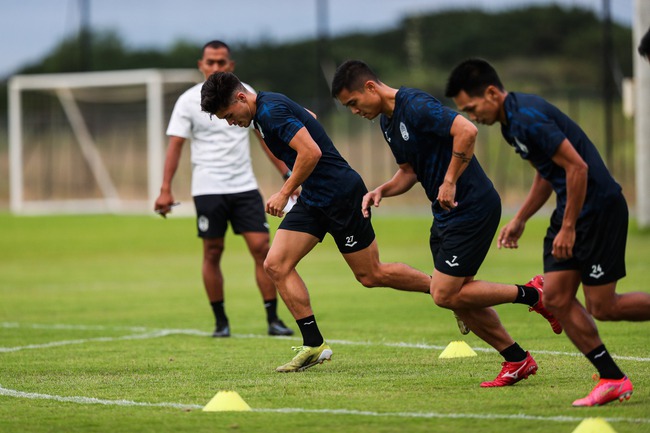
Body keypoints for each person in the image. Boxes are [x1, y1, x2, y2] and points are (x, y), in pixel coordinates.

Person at [331, 60, 561, 388]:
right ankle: (516, 359)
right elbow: (409, 171)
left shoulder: (416, 105)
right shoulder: (387, 122)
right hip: (444, 213)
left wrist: (450, 179)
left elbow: (467, 130)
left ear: (370, 87)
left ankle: (533, 293)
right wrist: (382, 189)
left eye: (353, 103)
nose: (354, 111)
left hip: (472, 206)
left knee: (443, 293)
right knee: (460, 297)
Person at [201, 71, 442, 373]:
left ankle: (443, 291)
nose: (229, 122)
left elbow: (311, 151)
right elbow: (309, 117)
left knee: (371, 275)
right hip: (315, 198)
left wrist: (285, 191)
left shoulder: (270, 111)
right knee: (275, 264)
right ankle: (314, 344)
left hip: (341, 195)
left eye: (228, 115)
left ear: (240, 97)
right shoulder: (263, 111)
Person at [445, 58, 650, 406]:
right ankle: (613, 378)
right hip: (572, 208)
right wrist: (521, 218)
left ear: (492, 93)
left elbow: (577, 167)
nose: (471, 116)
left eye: (471, 107)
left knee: (604, 306)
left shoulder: (527, 118)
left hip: (597, 208)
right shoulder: (510, 123)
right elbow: (546, 172)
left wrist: (568, 226)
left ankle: (612, 377)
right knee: (555, 297)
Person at [154, 40, 294, 338]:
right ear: (200, 65)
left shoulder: (247, 95)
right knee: (213, 251)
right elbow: (175, 147)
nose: (215, 67)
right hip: (208, 188)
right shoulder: (187, 101)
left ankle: (273, 319)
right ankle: (221, 322)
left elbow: (265, 137)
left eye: (221, 62)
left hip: (244, 186)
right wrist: (165, 189)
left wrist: (286, 171)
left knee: (262, 249)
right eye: (210, 62)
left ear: (230, 66)